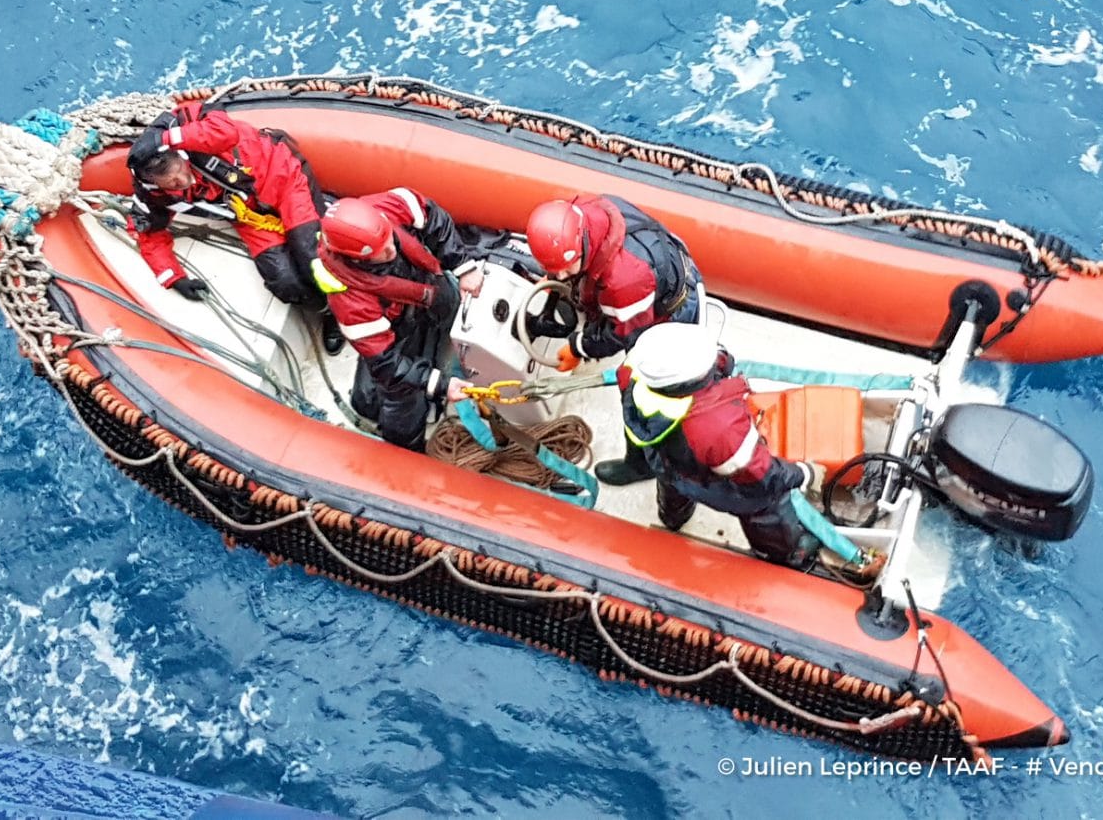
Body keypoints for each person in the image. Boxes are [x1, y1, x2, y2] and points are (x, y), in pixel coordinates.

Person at [598, 322, 885, 580]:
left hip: (670, 465)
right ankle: (788, 553)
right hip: (722, 484)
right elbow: (762, 476)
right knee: (766, 509)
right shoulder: (718, 429)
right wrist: (804, 473)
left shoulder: (637, 373)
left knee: (673, 490)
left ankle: (672, 519)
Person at [126, 102, 343, 353]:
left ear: (181, 154)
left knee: (311, 255)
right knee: (283, 280)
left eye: (174, 169)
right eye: (168, 180)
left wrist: (166, 138)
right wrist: (174, 278)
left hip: (283, 180)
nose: (178, 180)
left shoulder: (187, 123)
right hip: (249, 215)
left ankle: (349, 306)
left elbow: (225, 132)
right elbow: (148, 234)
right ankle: (329, 311)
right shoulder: (154, 194)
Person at [312, 188, 485, 452]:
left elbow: (433, 217)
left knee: (447, 307)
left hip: (432, 291)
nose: (392, 250)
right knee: (402, 395)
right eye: (380, 252)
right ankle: (407, 451)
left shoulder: (388, 206)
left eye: (390, 240)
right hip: (396, 329)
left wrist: (463, 266)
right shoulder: (352, 303)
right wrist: (439, 384)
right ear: (356, 259)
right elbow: (386, 363)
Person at [523, 194, 702, 371]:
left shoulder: (625, 282)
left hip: (671, 311)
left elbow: (620, 334)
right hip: (656, 271)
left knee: (642, 383)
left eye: (567, 268)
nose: (561, 277)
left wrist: (578, 347)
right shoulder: (586, 215)